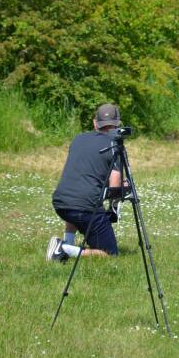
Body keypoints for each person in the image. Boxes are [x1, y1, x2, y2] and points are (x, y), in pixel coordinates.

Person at [46, 103, 123, 261]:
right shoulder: (114, 145)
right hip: (86, 208)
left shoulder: (78, 139)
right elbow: (115, 186)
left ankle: (68, 240)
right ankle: (65, 249)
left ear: (95, 123)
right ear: (118, 124)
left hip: (61, 203)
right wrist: (115, 205)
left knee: (78, 197)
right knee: (110, 253)